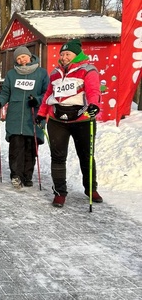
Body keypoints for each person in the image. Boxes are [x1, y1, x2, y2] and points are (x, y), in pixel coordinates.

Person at [35, 39, 102, 208]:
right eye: (62, 54)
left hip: (82, 119)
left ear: (76, 55)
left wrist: (94, 105)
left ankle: (91, 189)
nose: (64, 57)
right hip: (58, 120)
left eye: (67, 54)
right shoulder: (55, 73)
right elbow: (48, 95)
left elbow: (94, 90)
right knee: (58, 157)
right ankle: (59, 193)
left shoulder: (88, 70)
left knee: (86, 156)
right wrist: (41, 114)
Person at [0, 46, 50, 189]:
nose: (21, 60)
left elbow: (47, 93)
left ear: (29, 56)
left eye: (23, 57)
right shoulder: (12, 74)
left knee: (30, 148)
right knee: (16, 147)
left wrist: (37, 99)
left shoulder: (42, 73)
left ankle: (27, 175)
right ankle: (16, 175)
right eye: (18, 59)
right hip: (15, 116)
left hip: (33, 115)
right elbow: (6, 92)